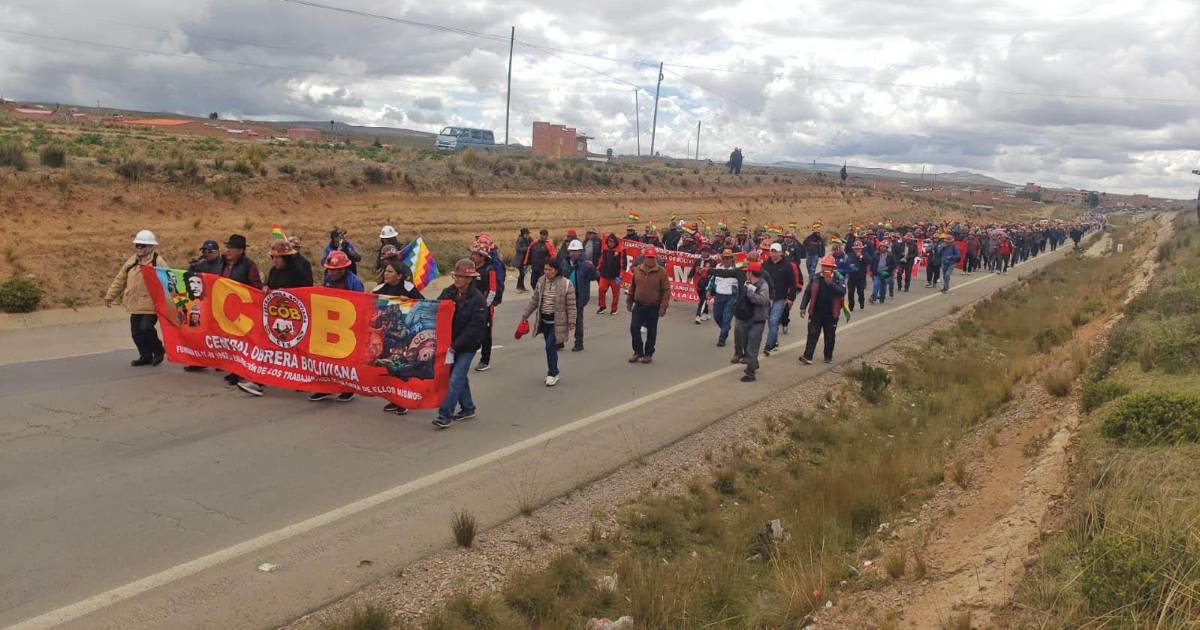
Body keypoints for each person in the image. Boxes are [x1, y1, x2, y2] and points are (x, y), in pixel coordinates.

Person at [434, 259, 488, 429]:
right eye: (456, 275)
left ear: (470, 279)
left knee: (455, 378)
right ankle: (468, 408)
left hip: (467, 346)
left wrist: (454, 346)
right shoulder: (449, 292)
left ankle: (445, 415)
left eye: (461, 276)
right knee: (459, 377)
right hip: (450, 343)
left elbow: (474, 329)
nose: (457, 279)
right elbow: (436, 308)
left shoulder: (478, 300)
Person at [105, 229, 169, 367]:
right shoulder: (132, 260)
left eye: (142, 245)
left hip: (151, 305)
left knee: (146, 328)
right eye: (137, 245)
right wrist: (110, 295)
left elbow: (169, 280)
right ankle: (145, 356)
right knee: (136, 333)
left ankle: (158, 350)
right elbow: (120, 279)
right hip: (134, 303)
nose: (139, 248)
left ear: (151, 247)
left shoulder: (158, 261)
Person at [372, 258, 425, 415]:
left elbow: (423, 304)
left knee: (401, 366)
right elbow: (370, 305)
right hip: (387, 336)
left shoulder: (409, 289)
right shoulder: (380, 289)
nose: (386, 274)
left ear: (399, 275)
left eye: (390, 272)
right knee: (390, 367)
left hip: (404, 335)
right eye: (385, 271)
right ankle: (395, 399)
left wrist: (410, 302)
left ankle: (403, 400)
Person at [519, 260, 576, 386]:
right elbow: (535, 300)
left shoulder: (566, 284)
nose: (547, 272)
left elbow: (571, 304)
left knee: (550, 346)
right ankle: (555, 371)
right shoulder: (541, 281)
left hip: (557, 322)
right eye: (545, 269)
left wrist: (572, 321)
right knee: (550, 348)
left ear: (556, 270)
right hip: (544, 321)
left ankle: (552, 373)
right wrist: (525, 315)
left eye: (550, 270)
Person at [799, 255, 846, 365]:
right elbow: (807, 292)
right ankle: (807, 356)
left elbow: (842, 291)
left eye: (829, 267)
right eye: (824, 266)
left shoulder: (838, 278)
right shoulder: (816, 277)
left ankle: (828, 356)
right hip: (816, 312)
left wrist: (831, 283)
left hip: (831, 313)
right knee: (812, 333)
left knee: (829, 336)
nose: (826, 269)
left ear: (833, 268)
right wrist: (803, 307)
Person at [626, 247, 670, 364]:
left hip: (653, 307)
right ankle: (638, 351)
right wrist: (629, 301)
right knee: (634, 328)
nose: (650, 260)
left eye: (652, 258)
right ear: (644, 258)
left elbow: (666, 291)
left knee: (651, 331)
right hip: (638, 305)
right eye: (648, 257)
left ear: (655, 258)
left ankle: (648, 353)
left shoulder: (662, 272)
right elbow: (632, 287)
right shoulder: (638, 270)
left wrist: (663, 307)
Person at [731, 262, 771, 382]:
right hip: (745, 318)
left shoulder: (763, 285)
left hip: (758, 320)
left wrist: (749, 293)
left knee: (752, 347)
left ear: (751, 273)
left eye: (747, 271)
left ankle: (750, 373)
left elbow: (763, 300)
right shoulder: (747, 283)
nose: (746, 273)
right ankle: (754, 363)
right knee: (745, 343)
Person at [761, 243, 796, 355]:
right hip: (767, 298)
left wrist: (791, 298)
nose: (773, 254)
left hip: (780, 298)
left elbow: (792, 283)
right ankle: (775, 342)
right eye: (772, 251)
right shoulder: (765, 264)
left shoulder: (787, 266)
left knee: (773, 321)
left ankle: (769, 346)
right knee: (770, 322)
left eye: (775, 252)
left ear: (781, 253)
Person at [469, 243, 499, 370]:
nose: (472, 256)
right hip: (470, 306)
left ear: (482, 257)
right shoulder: (471, 268)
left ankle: (485, 361)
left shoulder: (489, 270)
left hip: (484, 308)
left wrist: (484, 306)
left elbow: (492, 290)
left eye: (475, 254)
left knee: (485, 335)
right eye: (472, 253)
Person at [563, 239, 597, 352]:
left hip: (579, 296)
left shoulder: (585, 264)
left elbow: (594, 277)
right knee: (562, 318)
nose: (573, 253)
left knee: (578, 320)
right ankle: (560, 341)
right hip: (566, 295)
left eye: (576, 251)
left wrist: (592, 268)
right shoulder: (565, 263)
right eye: (571, 251)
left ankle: (579, 343)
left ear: (580, 252)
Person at [707, 248, 741, 347]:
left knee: (726, 318)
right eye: (724, 258)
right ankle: (725, 328)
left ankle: (722, 338)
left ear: (731, 258)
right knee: (717, 316)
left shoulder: (737, 269)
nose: (725, 260)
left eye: (728, 258)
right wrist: (708, 290)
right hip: (719, 295)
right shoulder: (718, 267)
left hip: (731, 297)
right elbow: (712, 279)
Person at [596, 233, 624, 315]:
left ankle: (614, 309)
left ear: (615, 242)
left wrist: (621, 275)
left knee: (616, 293)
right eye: (609, 241)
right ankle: (602, 306)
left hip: (616, 277)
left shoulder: (621, 251)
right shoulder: (604, 250)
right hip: (604, 275)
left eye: (612, 242)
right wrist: (598, 269)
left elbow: (623, 264)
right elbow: (601, 260)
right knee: (601, 290)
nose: (610, 243)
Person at [845, 241, 868, 310]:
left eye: (859, 248)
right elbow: (846, 263)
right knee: (850, 292)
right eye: (856, 249)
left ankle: (861, 302)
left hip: (861, 277)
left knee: (860, 291)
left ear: (861, 249)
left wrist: (861, 256)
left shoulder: (865, 255)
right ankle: (851, 305)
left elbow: (868, 261)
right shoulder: (850, 255)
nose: (857, 250)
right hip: (851, 277)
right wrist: (850, 267)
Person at [514, 227, 532, 292]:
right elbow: (518, 248)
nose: (528, 235)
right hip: (520, 260)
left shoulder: (528, 239)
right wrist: (527, 248)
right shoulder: (520, 239)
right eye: (527, 234)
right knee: (522, 273)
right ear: (523, 234)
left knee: (523, 274)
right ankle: (518, 287)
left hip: (525, 260)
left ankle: (522, 287)